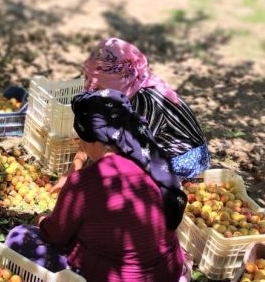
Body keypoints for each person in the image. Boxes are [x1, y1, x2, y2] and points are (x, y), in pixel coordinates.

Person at [5, 88, 189, 282]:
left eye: (79, 138)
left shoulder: (84, 183)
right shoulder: (150, 161)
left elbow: (55, 235)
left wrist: (41, 219)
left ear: (90, 141)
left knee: (20, 237)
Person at [52, 37, 210, 192]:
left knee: (125, 186)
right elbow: (94, 132)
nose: (94, 89)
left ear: (115, 82)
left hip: (183, 161)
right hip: (154, 146)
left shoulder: (145, 102)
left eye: (99, 86)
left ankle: (184, 186)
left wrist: (89, 179)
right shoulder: (127, 89)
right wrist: (74, 168)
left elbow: (135, 152)